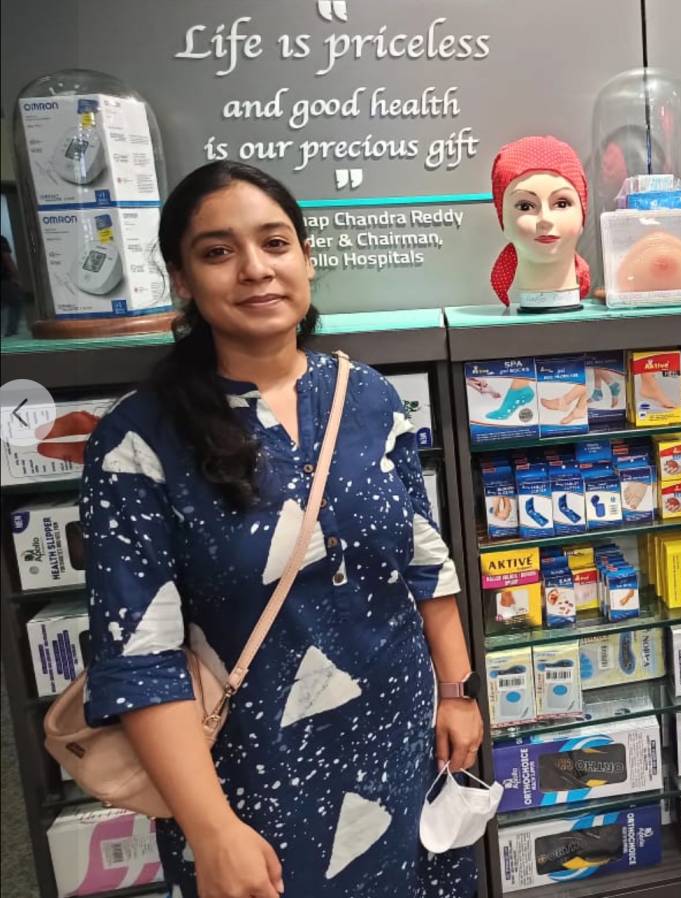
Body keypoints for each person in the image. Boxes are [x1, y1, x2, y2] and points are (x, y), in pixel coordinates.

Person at [79, 161, 481, 898]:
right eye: (218, 251)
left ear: (307, 257)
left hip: (403, 744)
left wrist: (455, 690)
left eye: (275, 243)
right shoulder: (139, 440)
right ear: (181, 279)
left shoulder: (366, 397)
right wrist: (212, 830)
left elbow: (424, 556)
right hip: (254, 777)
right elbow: (140, 656)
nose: (256, 270)